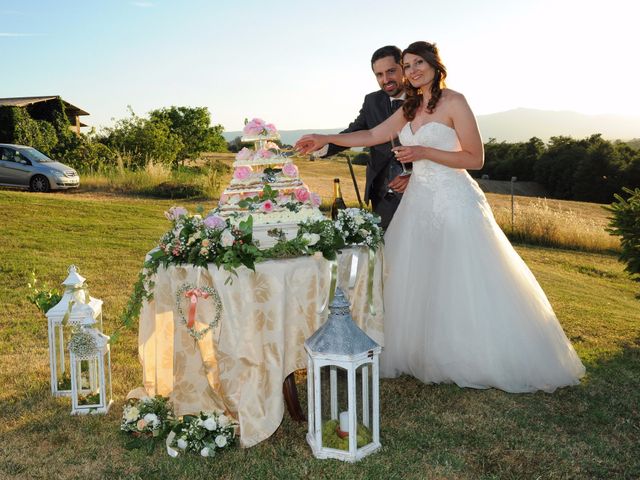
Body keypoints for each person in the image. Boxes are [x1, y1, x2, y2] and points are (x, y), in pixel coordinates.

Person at [296, 41, 585, 393]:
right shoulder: (410, 106)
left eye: (418, 62)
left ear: (435, 63)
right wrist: (322, 138)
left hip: (455, 201)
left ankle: (478, 355)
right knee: (418, 279)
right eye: (407, 64)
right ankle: (424, 353)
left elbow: (475, 158)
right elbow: (373, 135)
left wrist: (422, 152)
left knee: (464, 279)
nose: (413, 69)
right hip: (418, 202)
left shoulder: (455, 102)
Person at [318, 45, 410, 229]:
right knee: (386, 249)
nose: (386, 80)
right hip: (381, 193)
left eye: (391, 71)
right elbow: (355, 131)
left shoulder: (427, 99)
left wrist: (414, 174)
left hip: (417, 191)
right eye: (379, 75)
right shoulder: (372, 101)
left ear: (404, 68)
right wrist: (323, 145)